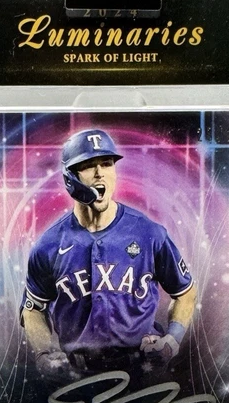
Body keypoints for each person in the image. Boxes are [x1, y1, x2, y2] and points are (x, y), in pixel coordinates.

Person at [21, 128, 196, 380]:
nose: (99, 172)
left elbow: (185, 292)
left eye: (106, 163)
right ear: (70, 178)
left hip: (143, 371)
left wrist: (172, 339)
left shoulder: (148, 232)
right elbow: (33, 308)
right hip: (77, 376)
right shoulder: (48, 245)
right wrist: (43, 354)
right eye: (88, 165)